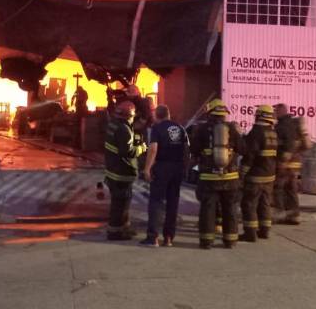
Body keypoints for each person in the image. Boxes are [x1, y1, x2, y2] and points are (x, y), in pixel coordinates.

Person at [190, 98, 245, 249]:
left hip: (208, 178)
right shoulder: (232, 129)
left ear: (209, 113)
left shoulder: (201, 130)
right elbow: (243, 149)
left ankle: (206, 241)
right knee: (230, 209)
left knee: (208, 209)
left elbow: (193, 150)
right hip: (230, 178)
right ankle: (230, 240)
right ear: (223, 114)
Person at [139, 105, 189, 248]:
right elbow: (186, 150)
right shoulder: (180, 128)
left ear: (157, 115)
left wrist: (147, 169)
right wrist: (184, 168)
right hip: (177, 168)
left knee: (156, 201)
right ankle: (168, 238)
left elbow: (153, 149)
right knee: (173, 203)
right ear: (168, 114)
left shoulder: (157, 128)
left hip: (162, 168)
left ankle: (152, 237)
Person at [104, 100, 147, 240]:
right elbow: (127, 152)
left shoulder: (113, 124)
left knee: (118, 204)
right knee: (121, 205)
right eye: (132, 117)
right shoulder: (124, 129)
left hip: (113, 170)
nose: (133, 119)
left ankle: (123, 229)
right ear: (129, 115)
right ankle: (116, 232)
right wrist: (141, 148)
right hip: (122, 172)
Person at [239, 105, 278, 242]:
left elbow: (250, 155)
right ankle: (265, 230)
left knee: (249, 203)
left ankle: (250, 233)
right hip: (270, 175)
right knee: (265, 203)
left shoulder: (256, 132)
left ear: (259, 115)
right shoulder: (273, 132)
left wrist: (242, 172)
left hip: (256, 176)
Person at [274, 103, 311, 225]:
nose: (274, 114)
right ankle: (294, 215)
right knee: (291, 189)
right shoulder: (294, 124)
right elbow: (301, 145)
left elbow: (288, 144)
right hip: (295, 163)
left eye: (275, 111)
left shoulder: (283, 126)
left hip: (286, 164)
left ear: (280, 112)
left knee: (278, 188)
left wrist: (283, 161)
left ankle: (280, 213)